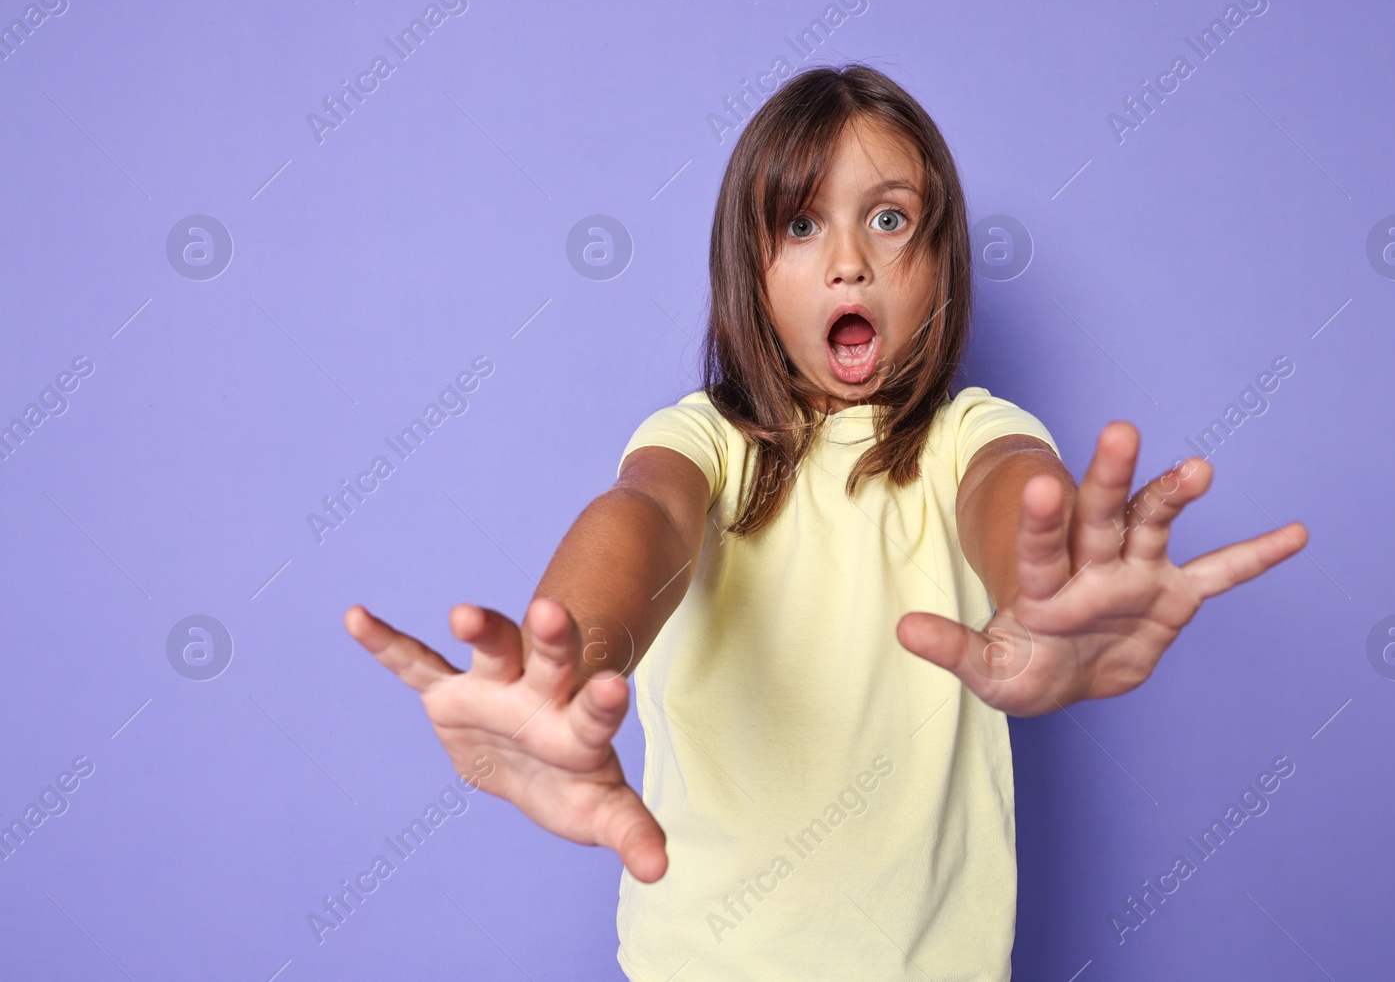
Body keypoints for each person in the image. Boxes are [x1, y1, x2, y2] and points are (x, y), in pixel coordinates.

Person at [343, 63, 1307, 980]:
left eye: (890, 220)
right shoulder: (706, 441)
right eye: (801, 224)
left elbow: (1012, 490)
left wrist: (1048, 592)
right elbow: (643, 517)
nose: (850, 262)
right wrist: (573, 667)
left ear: (942, 262)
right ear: (746, 268)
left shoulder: (971, 435)